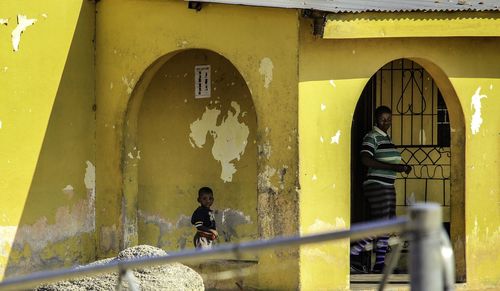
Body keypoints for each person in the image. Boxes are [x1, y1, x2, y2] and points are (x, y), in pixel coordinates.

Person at [350, 105, 412, 274]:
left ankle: (379, 264)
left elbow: (390, 161)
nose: (386, 122)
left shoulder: (386, 138)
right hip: (376, 185)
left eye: (389, 119)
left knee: (388, 223)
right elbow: (366, 159)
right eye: (383, 119)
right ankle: (353, 254)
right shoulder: (372, 137)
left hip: (387, 185)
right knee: (382, 223)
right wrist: (392, 167)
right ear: (376, 120)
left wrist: (402, 167)